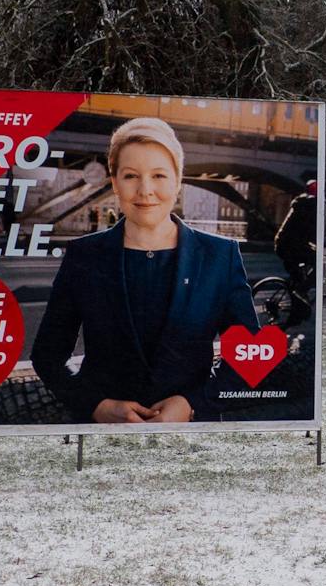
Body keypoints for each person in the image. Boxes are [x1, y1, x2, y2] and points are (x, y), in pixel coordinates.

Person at [31, 116, 258, 424]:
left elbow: (252, 356)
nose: (145, 190)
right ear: (114, 182)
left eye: (159, 176)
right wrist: (95, 404)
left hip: (191, 443)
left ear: (178, 181)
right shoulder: (83, 256)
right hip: (103, 438)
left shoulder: (220, 256)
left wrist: (193, 405)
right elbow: (48, 355)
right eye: (130, 176)